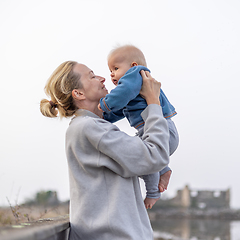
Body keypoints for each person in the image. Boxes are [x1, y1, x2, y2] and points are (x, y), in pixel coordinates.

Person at [40, 60, 170, 240]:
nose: (102, 78)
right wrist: (153, 102)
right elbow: (154, 156)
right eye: (92, 76)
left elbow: (141, 160)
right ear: (78, 93)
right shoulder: (90, 128)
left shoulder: (88, 127)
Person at [99, 45, 179, 209]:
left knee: (138, 159)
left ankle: (153, 193)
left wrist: (105, 104)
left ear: (133, 66)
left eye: (115, 68)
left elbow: (122, 93)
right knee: (133, 153)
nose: (111, 74)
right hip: (160, 130)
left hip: (162, 130)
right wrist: (104, 117)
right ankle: (163, 169)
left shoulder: (135, 75)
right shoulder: (134, 89)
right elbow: (120, 110)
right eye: (110, 70)